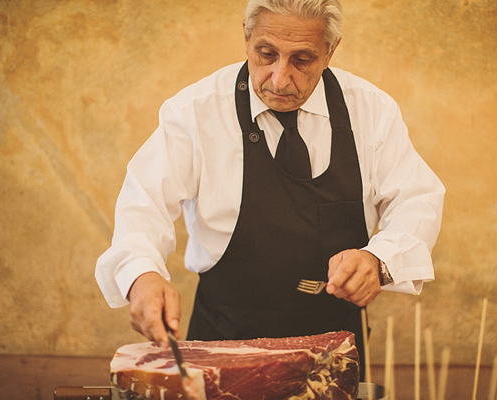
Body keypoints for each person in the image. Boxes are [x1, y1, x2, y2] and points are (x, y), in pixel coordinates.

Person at [95, 0, 444, 377]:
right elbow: (143, 204)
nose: (279, 78)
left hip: (333, 356)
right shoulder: (195, 112)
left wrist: (380, 260)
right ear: (246, 36)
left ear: (331, 50)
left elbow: (416, 200)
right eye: (266, 54)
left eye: (302, 60)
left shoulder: (372, 111)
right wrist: (141, 273)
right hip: (222, 350)